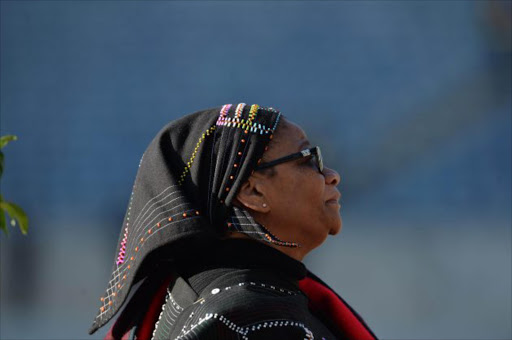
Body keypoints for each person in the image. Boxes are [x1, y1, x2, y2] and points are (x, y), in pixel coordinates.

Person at [88, 104, 377, 340]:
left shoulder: (187, 293)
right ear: (252, 191)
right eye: (307, 158)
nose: (331, 175)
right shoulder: (257, 317)